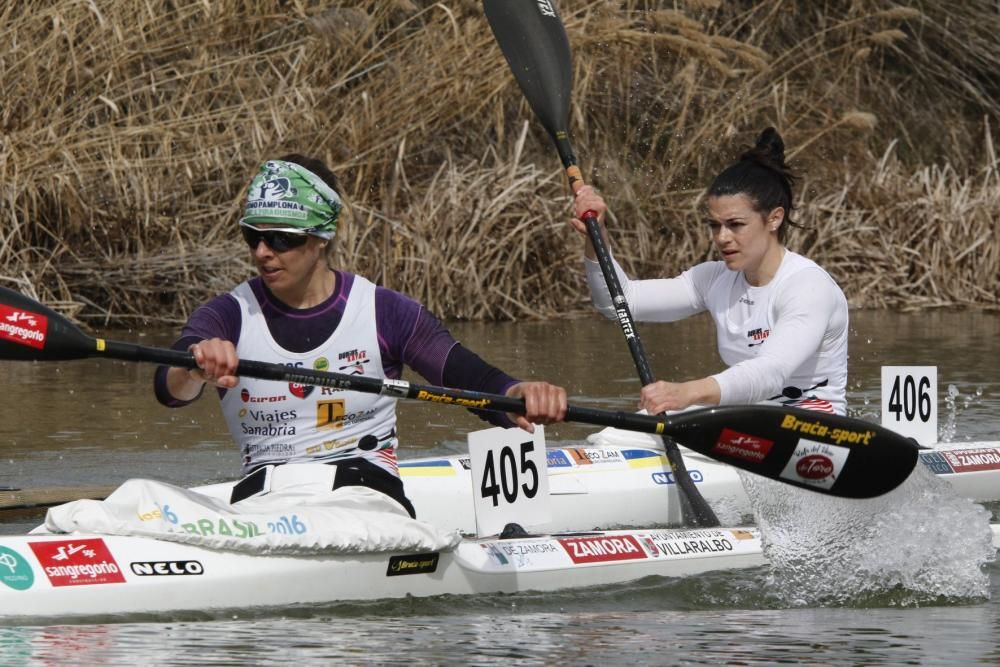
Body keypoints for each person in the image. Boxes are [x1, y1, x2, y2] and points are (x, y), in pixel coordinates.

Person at [155, 154, 568, 517]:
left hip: (366, 494)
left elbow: (464, 377)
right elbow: (168, 389)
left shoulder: (384, 312)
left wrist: (517, 394)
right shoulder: (228, 314)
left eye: (282, 238)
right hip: (262, 498)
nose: (263, 251)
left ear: (320, 238)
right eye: (254, 236)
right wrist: (194, 366)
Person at [571, 127, 848, 416]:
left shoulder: (807, 286)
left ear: (775, 219)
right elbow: (619, 304)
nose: (722, 237)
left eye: (735, 224)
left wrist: (687, 392)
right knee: (625, 431)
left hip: (813, 429)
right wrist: (596, 238)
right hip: (747, 420)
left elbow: (770, 373)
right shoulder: (713, 279)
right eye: (715, 225)